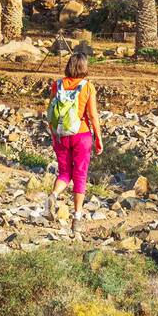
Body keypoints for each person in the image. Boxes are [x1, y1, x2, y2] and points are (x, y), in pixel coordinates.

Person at [44, 50, 103, 239]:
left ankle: (53, 195)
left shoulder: (57, 84)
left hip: (61, 134)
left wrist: (54, 134)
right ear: (84, 67)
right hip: (81, 134)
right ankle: (77, 218)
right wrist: (99, 138)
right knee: (80, 175)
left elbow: (51, 111)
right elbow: (92, 115)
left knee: (64, 173)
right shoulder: (87, 87)